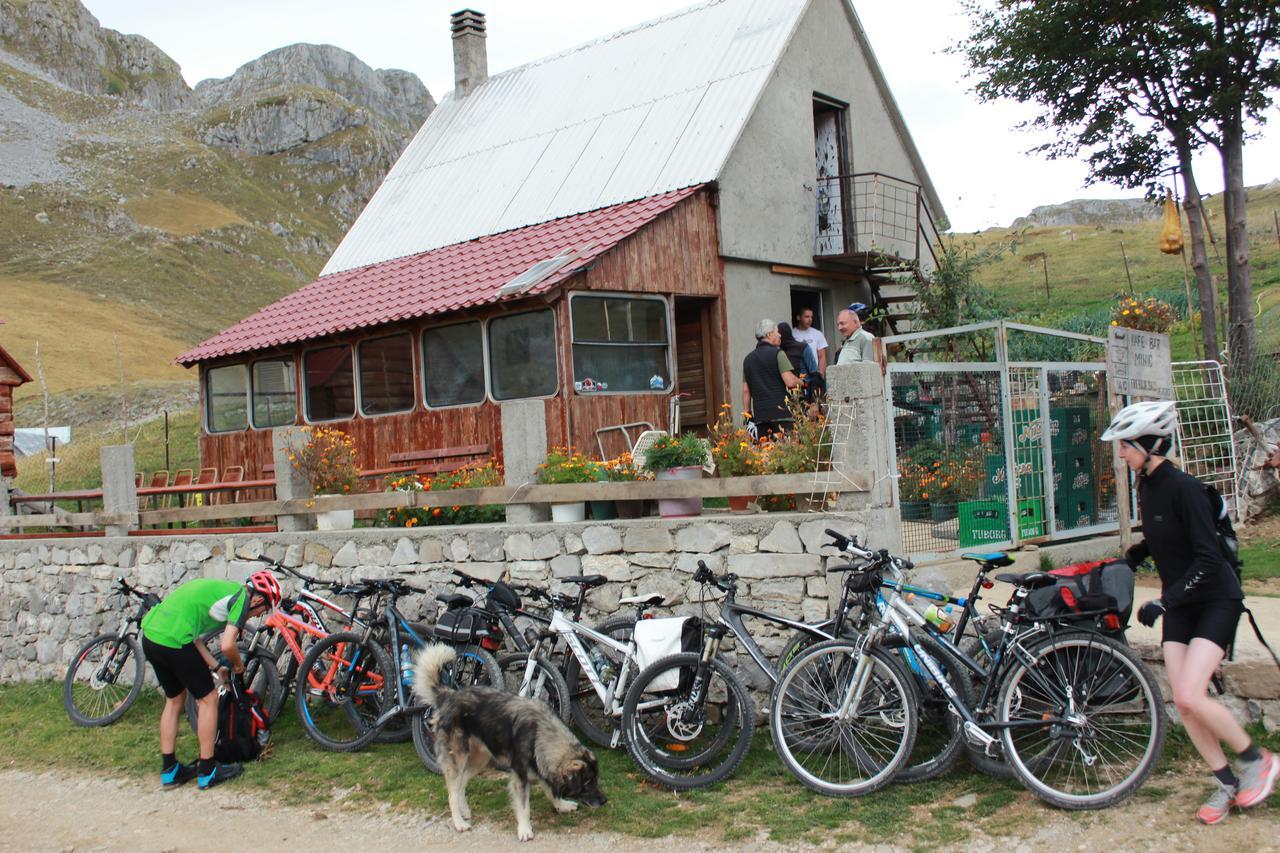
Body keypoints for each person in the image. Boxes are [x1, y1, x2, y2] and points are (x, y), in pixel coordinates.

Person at [1104, 400, 1276, 824]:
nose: (1121, 454)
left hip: (1216, 600)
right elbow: (1168, 536)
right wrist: (1138, 553)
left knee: (1188, 693)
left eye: (1125, 446)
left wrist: (1166, 600)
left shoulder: (1185, 489)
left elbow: (1207, 560)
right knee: (1183, 704)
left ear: (1147, 443)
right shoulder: (1147, 487)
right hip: (1181, 601)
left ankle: (1258, 761)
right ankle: (1228, 784)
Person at [140, 570, 282, 790]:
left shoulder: (219, 592)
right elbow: (227, 645)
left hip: (151, 636)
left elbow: (195, 637)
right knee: (208, 698)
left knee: (175, 700)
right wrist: (237, 665)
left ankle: (170, 771)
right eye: (264, 608)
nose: (258, 615)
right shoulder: (241, 598)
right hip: (174, 639)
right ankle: (208, 770)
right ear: (257, 599)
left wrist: (216, 667)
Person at [741, 319, 799, 437]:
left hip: (761, 416)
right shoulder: (778, 354)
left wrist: (748, 416)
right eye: (777, 331)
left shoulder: (748, 360)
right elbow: (790, 382)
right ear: (768, 335)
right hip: (782, 415)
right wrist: (802, 381)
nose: (780, 334)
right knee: (787, 450)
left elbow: (746, 391)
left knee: (766, 451)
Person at [777, 322, 823, 403]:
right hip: (787, 399)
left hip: (806, 395)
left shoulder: (802, 347)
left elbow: (814, 374)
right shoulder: (779, 352)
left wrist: (815, 401)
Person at [790, 308, 829, 375]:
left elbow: (822, 357)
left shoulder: (817, 334)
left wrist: (820, 375)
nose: (810, 319)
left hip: (814, 374)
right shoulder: (792, 334)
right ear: (798, 317)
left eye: (811, 317)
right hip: (797, 374)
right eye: (807, 317)